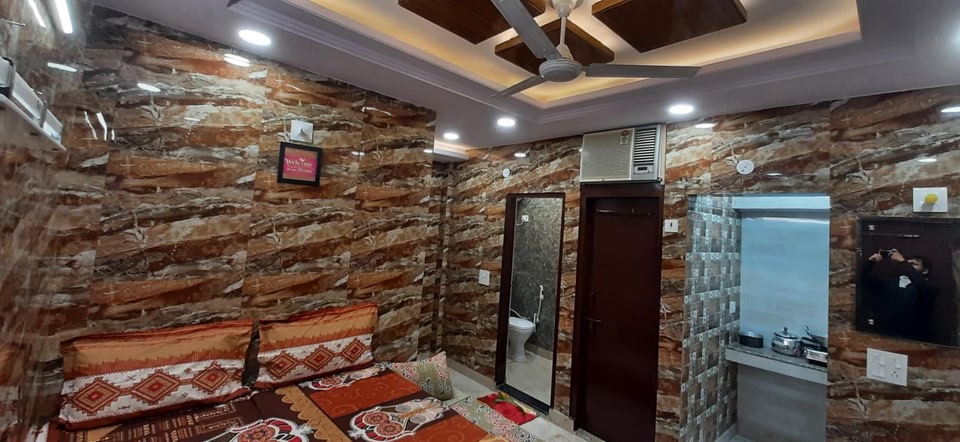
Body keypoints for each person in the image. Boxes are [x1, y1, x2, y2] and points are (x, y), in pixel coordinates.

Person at [861, 249, 937, 339]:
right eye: (908, 264)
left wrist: (903, 262)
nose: (908, 266)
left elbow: (923, 286)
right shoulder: (891, 283)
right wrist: (870, 263)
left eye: (913, 264)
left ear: (925, 271)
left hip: (913, 337)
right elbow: (864, 280)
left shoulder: (928, 286)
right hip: (884, 334)